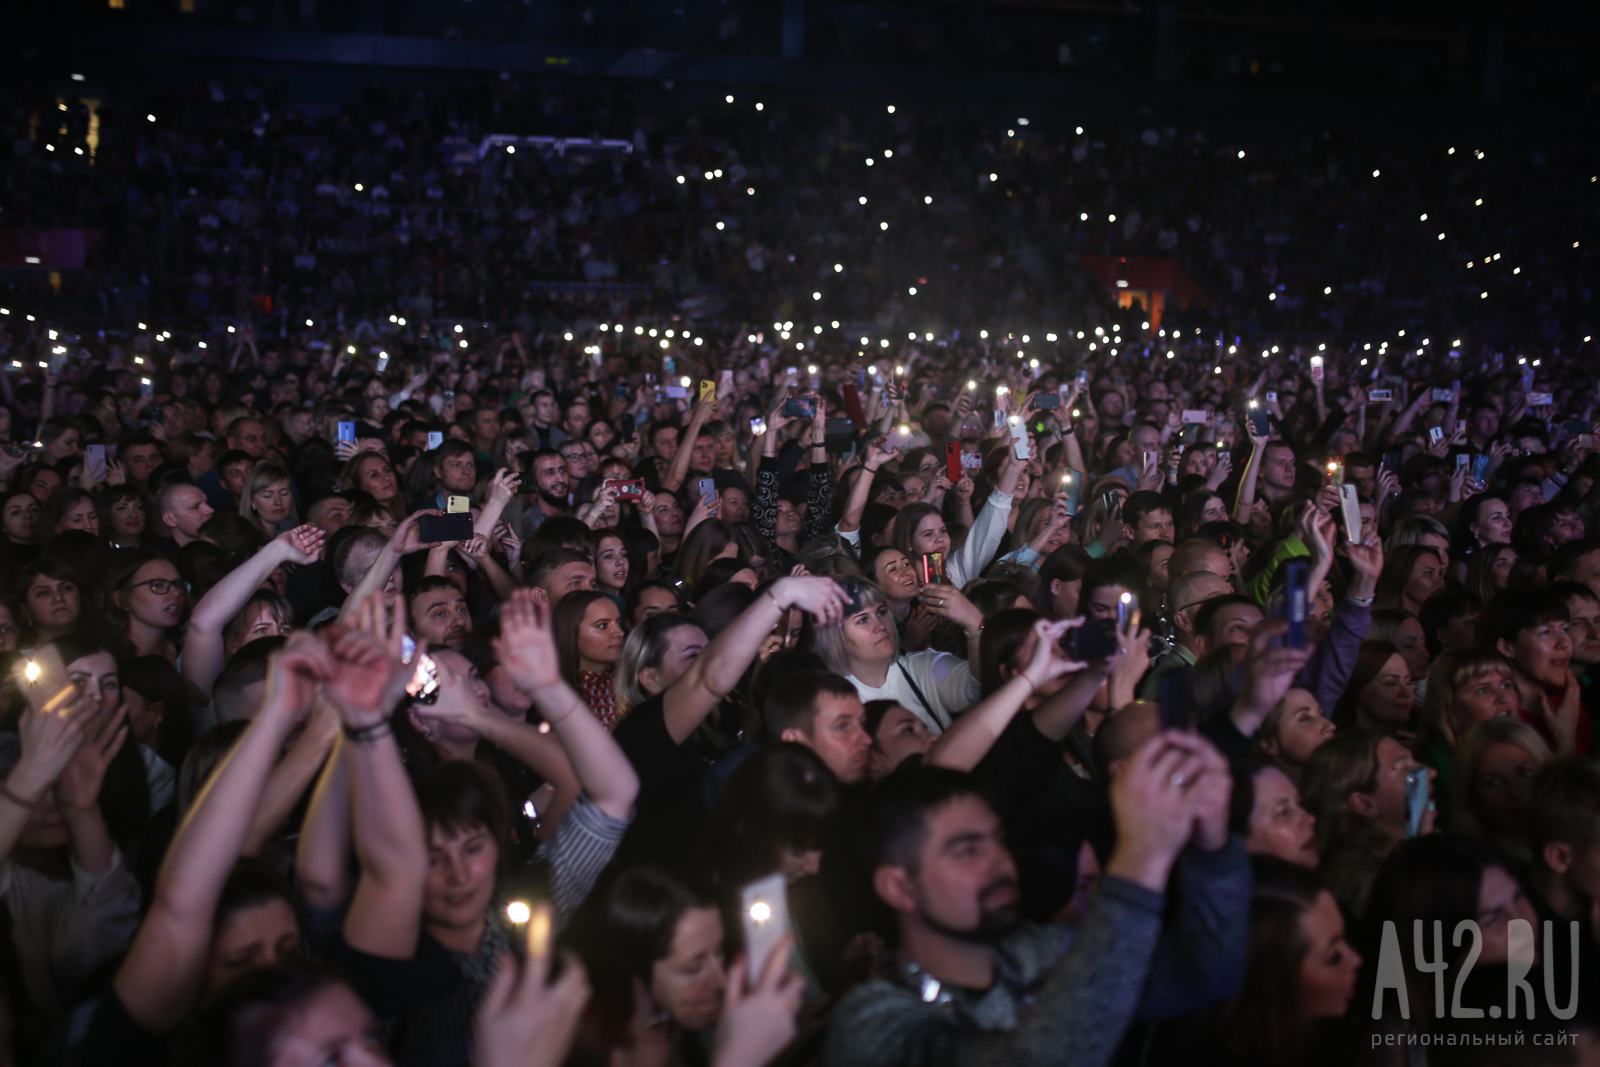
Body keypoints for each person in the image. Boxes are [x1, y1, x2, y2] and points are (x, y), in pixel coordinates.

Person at [822, 753, 1250, 1067]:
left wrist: (1212, 847)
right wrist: (1137, 860)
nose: (1002, 864)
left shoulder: (1038, 952)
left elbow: (1207, 974)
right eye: (968, 850)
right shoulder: (871, 1023)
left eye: (998, 840)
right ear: (898, 887)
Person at [1300, 728, 1435, 921]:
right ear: (1364, 804)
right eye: (1406, 769)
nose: (1430, 772)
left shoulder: (1407, 857)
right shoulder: (1370, 885)